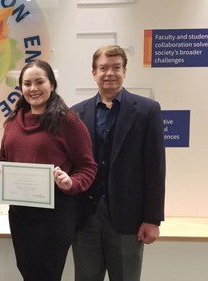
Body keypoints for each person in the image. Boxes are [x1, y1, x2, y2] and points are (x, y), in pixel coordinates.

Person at [0, 59, 97, 281]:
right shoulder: (13, 121)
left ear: (52, 85)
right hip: (21, 215)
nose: (33, 88)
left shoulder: (68, 122)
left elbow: (87, 167)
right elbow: (3, 159)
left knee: (47, 274)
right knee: (28, 272)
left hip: (56, 216)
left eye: (40, 82)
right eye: (27, 83)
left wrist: (71, 182)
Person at [71, 45, 166, 281]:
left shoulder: (147, 110)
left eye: (116, 67)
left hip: (129, 220)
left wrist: (152, 219)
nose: (109, 73)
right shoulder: (75, 114)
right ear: (94, 73)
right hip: (85, 220)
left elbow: (155, 169)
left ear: (125, 71)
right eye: (103, 68)